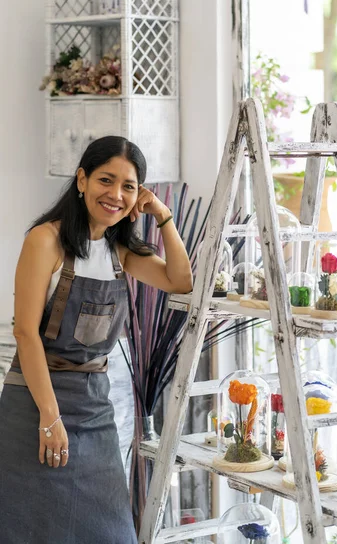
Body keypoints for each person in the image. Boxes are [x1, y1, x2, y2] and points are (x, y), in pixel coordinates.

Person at [0, 136, 193, 544]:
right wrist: (50, 419)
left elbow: (181, 280)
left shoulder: (121, 251)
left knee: (110, 532)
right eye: (106, 180)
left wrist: (161, 213)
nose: (116, 195)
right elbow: (25, 334)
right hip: (34, 404)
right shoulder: (45, 240)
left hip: (94, 410)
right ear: (82, 179)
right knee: (27, 528)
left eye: (129, 186)